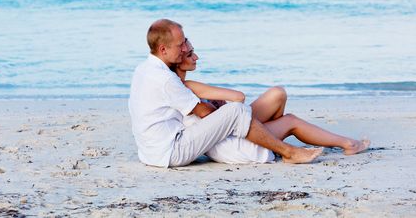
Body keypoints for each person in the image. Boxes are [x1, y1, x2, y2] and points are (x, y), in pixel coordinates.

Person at [128, 19, 323, 168]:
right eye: (180, 45)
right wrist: (229, 119)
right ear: (163, 49)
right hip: (172, 151)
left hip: (151, 152)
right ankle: (288, 152)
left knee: (234, 112)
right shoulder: (165, 80)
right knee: (236, 111)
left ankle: (266, 138)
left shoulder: (143, 69)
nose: (185, 49)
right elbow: (205, 113)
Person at [174, 39, 370, 164]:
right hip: (231, 139)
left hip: (229, 130)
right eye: (190, 54)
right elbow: (238, 97)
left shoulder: (181, 86)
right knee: (290, 121)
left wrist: (217, 104)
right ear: (178, 60)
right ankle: (348, 144)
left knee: (278, 94)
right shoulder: (188, 85)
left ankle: (272, 136)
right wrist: (219, 102)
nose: (196, 57)